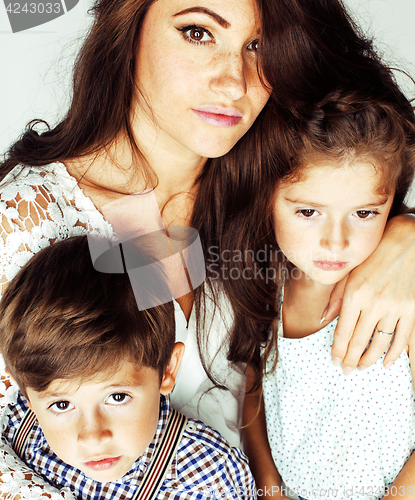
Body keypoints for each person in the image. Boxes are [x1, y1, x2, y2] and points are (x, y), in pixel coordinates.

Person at [2, 0, 415, 496]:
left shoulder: (281, 193)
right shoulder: (29, 217)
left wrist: (406, 235)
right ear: (128, 27)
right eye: (198, 33)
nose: (234, 82)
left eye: (258, 46)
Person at [243, 86, 415, 499]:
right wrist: (271, 490)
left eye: (363, 213)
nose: (335, 242)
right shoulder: (270, 285)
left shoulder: (402, 300)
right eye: (307, 212)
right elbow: (252, 391)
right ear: (268, 199)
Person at [0, 235, 255, 499]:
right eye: (62, 405)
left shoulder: (208, 477)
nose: (93, 437)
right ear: (28, 395)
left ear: (167, 369)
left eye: (117, 397)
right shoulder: (16, 420)